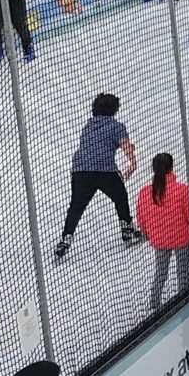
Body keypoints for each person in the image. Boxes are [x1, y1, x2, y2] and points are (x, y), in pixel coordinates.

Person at [55, 93, 139, 261]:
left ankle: (66, 238)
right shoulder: (117, 126)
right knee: (120, 197)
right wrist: (132, 163)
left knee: (76, 206)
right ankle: (127, 230)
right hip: (104, 170)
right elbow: (125, 146)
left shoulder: (88, 125)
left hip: (80, 169)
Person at [134, 151, 189, 309]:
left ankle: (154, 303)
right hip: (181, 238)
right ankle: (185, 300)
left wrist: (148, 233)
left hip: (160, 240)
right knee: (183, 272)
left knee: (160, 273)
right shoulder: (181, 190)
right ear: (171, 167)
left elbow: (141, 217)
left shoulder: (145, 192)